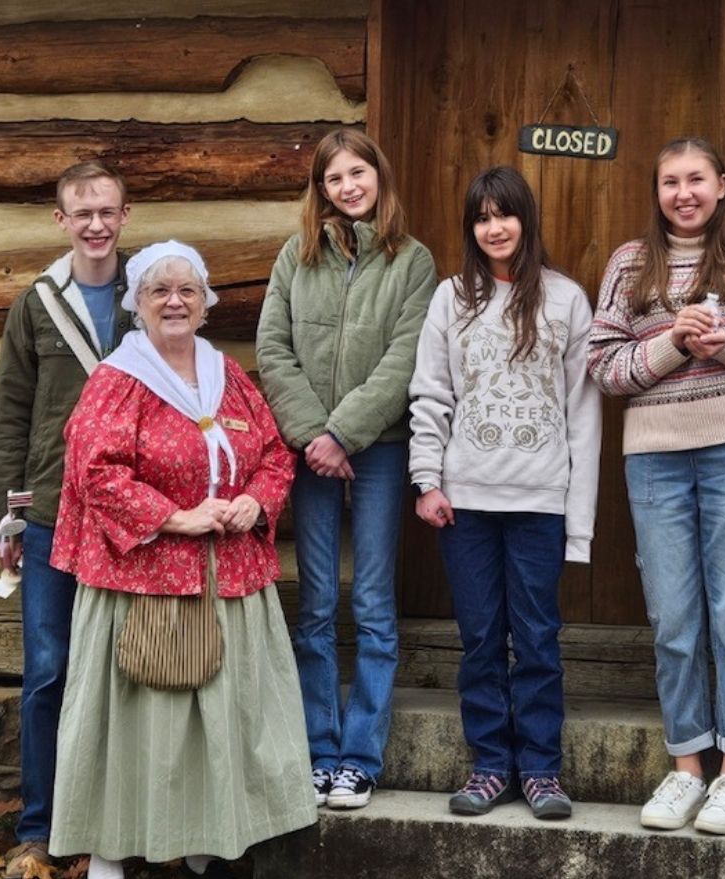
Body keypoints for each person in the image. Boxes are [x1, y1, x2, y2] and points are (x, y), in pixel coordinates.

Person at [48, 241, 315, 879]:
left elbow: (276, 454)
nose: (175, 301)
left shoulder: (229, 376)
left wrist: (254, 500)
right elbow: (94, 471)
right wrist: (175, 516)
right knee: (140, 722)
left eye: (188, 291)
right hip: (145, 584)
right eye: (159, 291)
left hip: (229, 580)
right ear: (137, 305)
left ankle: (206, 835)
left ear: (205, 303)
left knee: (220, 716)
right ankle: (111, 851)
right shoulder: (120, 378)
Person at [589, 137, 725, 835]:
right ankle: (686, 767)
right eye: (668, 181)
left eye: (695, 179)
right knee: (675, 619)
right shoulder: (628, 263)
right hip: (653, 457)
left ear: (720, 185)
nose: (682, 192)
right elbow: (603, 366)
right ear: (656, 192)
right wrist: (673, 344)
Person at [408, 166, 602, 820]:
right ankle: (491, 763)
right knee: (482, 636)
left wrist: (578, 521)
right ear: (471, 228)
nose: (494, 228)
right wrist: (426, 479)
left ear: (525, 220)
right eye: (482, 217)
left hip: (537, 500)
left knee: (538, 637)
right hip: (465, 502)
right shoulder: (450, 298)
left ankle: (541, 769)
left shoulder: (565, 299)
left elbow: (583, 412)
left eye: (505, 214)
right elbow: (430, 393)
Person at [256, 129, 438, 810]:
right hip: (310, 454)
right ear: (320, 189)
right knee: (318, 601)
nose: (348, 187)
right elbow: (273, 348)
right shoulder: (293, 257)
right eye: (334, 179)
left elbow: (406, 355)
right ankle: (319, 749)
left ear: (378, 178)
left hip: (380, 447)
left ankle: (360, 756)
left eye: (357, 173)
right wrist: (313, 435)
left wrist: (346, 431)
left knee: (372, 602)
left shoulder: (411, 261)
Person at [0, 161, 132, 879]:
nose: (96, 225)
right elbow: (9, 416)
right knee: (49, 669)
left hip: (134, 519)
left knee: (133, 671)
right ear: (61, 220)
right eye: (84, 213)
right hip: (48, 513)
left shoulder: (152, 292)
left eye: (107, 211)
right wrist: (7, 520)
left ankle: (123, 822)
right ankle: (41, 826)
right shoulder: (37, 304)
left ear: (124, 215)